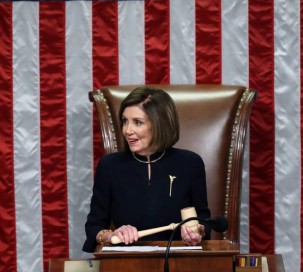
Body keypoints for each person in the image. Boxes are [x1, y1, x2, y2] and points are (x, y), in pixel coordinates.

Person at [82, 86, 211, 252]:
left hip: (179, 261)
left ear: (160, 125)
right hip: (128, 263)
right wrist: (109, 235)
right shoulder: (109, 166)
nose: (128, 130)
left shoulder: (190, 163)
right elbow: (94, 226)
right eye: (125, 121)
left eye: (138, 122)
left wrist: (197, 233)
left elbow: (204, 221)